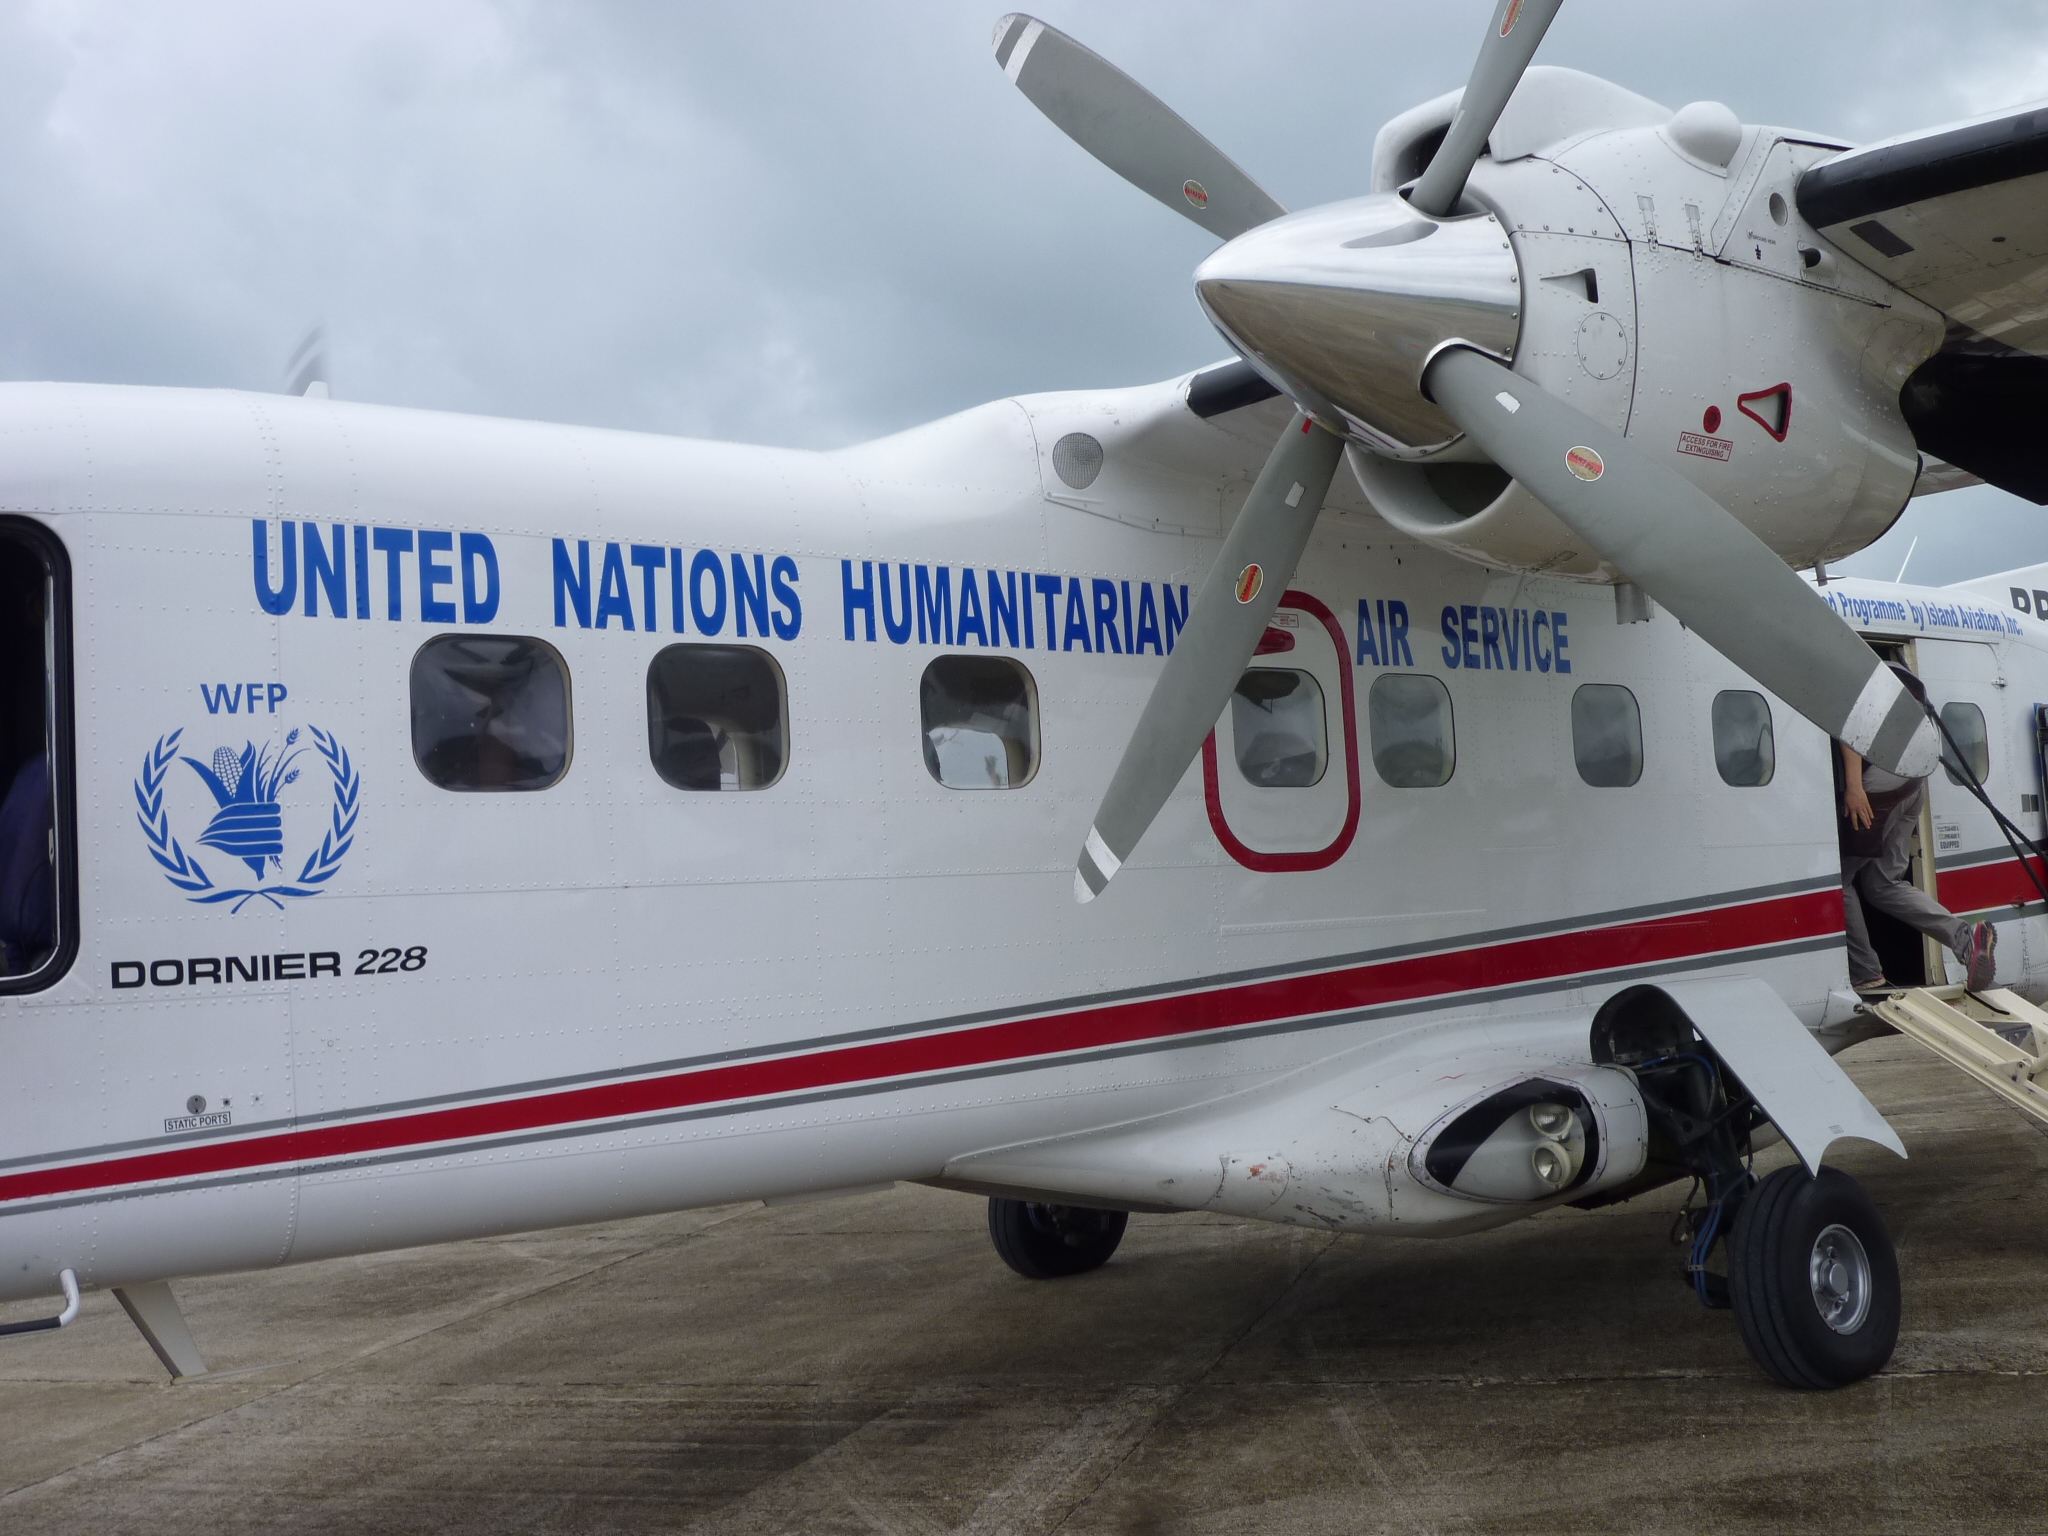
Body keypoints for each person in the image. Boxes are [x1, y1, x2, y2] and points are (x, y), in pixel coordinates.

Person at [1839, 740, 1995, 998]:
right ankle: (1966, 940)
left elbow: (1851, 731)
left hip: (1877, 787)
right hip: (1911, 782)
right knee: (1883, 884)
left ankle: (1865, 973)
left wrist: (1854, 787)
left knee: (1836, 883)